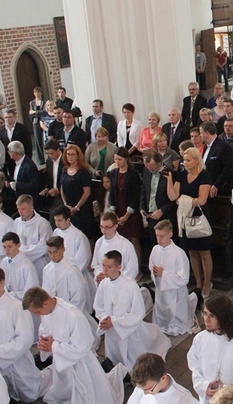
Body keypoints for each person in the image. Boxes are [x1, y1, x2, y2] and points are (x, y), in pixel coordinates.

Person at [23, 287, 128, 403]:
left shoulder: (73, 315)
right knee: (63, 390)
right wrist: (44, 340)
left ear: (45, 303)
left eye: (37, 312)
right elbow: (44, 327)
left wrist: (53, 346)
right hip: (61, 361)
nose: (38, 315)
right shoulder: (47, 312)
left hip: (81, 363)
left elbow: (83, 346)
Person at [94, 250, 172, 370]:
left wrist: (114, 322)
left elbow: (138, 312)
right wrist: (105, 319)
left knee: (136, 361)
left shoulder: (130, 285)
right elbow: (98, 306)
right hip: (111, 330)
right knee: (114, 357)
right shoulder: (104, 284)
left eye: (109, 267)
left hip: (129, 330)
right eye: (103, 266)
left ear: (119, 267)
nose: (104, 270)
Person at [0, 265, 43, 402]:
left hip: (16, 362)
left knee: (31, 394)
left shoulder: (16, 306)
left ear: (2, 282)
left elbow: (25, 339)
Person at [165, 147, 213, 297]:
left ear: (196, 160)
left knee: (204, 252)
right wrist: (169, 181)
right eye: (184, 160)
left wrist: (184, 200)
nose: (184, 163)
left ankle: (207, 283)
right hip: (185, 218)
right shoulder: (181, 175)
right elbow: (173, 197)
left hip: (199, 216)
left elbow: (202, 200)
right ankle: (198, 283)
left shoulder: (204, 176)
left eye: (187, 160)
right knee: (192, 252)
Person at [148, 220, 200, 336]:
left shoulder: (179, 253)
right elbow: (151, 267)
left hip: (175, 293)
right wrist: (155, 273)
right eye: (157, 236)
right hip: (161, 290)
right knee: (161, 316)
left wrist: (164, 274)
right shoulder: (155, 249)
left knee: (177, 317)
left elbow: (184, 278)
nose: (159, 239)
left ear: (170, 234)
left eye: (162, 236)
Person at [108, 147, 143, 260]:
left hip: (130, 212)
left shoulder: (133, 174)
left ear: (126, 159)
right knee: (119, 239)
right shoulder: (113, 173)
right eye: (115, 159)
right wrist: (114, 213)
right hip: (118, 210)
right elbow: (112, 193)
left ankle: (137, 268)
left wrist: (126, 216)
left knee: (134, 239)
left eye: (120, 159)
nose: (117, 162)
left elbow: (135, 196)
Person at [128, 352, 197, 403]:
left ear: (163, 378)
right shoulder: (144, 385)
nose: (145, 393)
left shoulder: (183, 400)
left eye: (150, 390)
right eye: (142, 389)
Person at [92, 211, 140, 283]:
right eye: (101, 227)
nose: (103, 230)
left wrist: (114, 279)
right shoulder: (99, 242)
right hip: (103, 283)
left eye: (107, 227)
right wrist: (99, 274)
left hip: (121, 285)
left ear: (115, 226)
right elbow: (96, 265)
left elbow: (132, 269)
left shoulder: (125, 244)